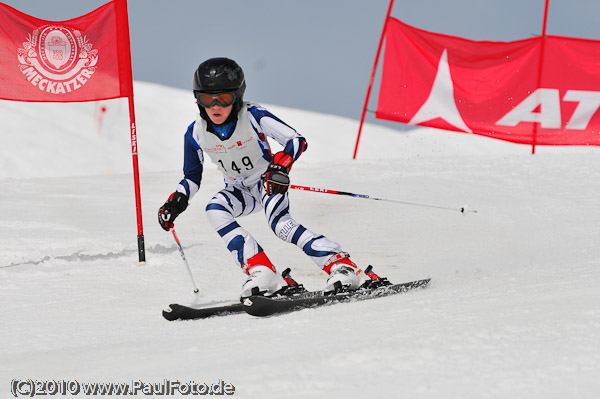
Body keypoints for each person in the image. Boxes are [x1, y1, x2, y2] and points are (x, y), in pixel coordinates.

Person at [158, 57, 367, 298]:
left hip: (267, 182)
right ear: (198, 99)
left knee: (280, 225)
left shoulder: (254, 115)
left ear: (237, 97)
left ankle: (340, 265)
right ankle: (262, 271)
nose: (215, 106)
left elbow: (296, 140)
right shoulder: (195, 132)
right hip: (238, 190)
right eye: (207, 99)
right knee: (214, 210)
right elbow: (192, 176)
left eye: (223, 99)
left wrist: (280, 166)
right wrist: (177, 200)